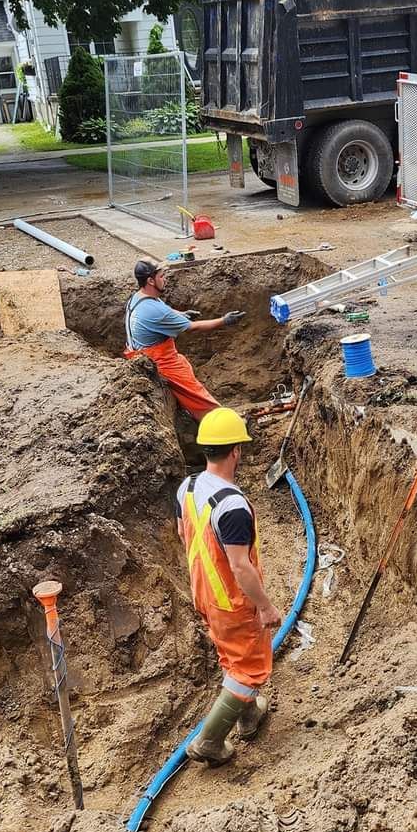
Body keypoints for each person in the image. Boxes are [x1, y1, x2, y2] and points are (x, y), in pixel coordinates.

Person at [176, 407, 281, 765]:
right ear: (236, 450)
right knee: (249, 668)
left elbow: (184, 533)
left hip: (204, 592)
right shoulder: (232, 506)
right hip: (232, 602)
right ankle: (209, 741)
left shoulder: (188, 487)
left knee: (233, 655)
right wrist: (265, 606)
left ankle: (248, 716)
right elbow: (240, 566)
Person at [124, 259, 245, 418]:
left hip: (139, 353)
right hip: (158, 362)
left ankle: (184, 409)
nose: (165, 279)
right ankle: (219, 419)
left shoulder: (139, 297)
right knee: (197, 394)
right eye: (161, 276)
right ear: (150, 281)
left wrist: (181, 314)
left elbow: (162, 309)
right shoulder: (154, 311)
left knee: (183, 363)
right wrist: (225, 320)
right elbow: (192, 328)